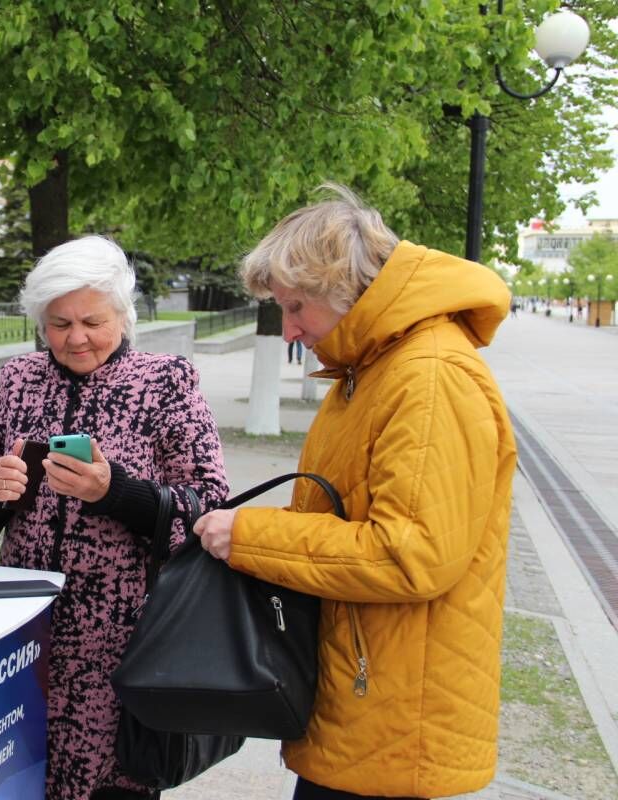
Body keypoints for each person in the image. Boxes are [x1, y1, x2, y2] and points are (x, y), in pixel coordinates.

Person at [192, 184, 516, 800]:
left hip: (395, 724)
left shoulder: (427, 378)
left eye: (295, 307)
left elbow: (409, 553)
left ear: (347, 290)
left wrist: (251, 535)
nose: (287, 329)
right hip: (369, 702)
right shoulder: (376, 368)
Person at [0, 236, 229, 800]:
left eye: (92, 321)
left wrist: (114, 491)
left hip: (121, 634)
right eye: (58, 323)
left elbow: (209, 504)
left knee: (109, 781)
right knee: (16, 773)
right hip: (24, 629)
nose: (75, 338)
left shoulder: (166, 382)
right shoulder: (19, 379)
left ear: (123, 316)